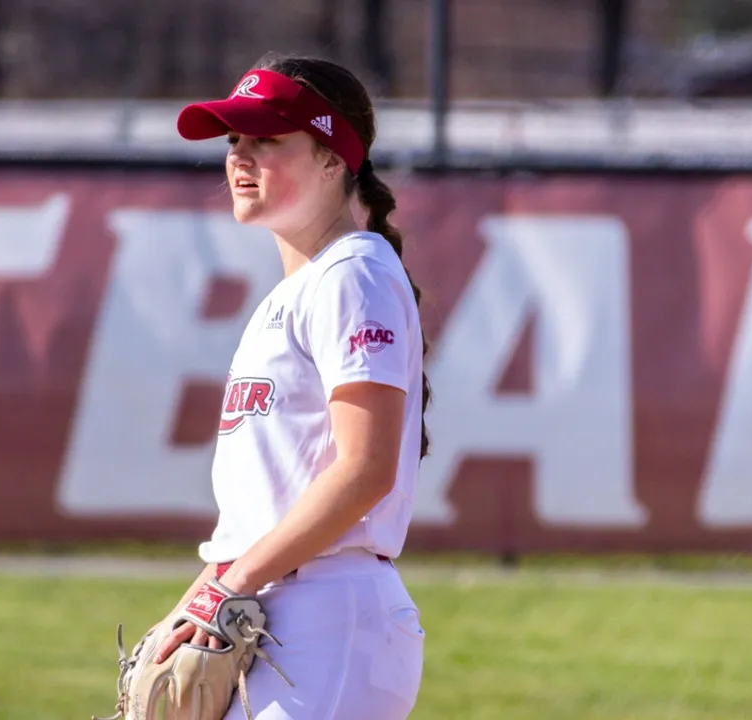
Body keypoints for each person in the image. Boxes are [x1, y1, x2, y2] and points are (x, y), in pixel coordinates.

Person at [154, 52, 432, 719]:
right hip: (276, 612)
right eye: (234, 140)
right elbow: (264, 507)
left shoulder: (352, 274)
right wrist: (192, 604)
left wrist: (231, 587)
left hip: (328, 619)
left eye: (267, 139)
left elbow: (366, 469)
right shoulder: (300, 291)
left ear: (333, 158)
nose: (240, 157)